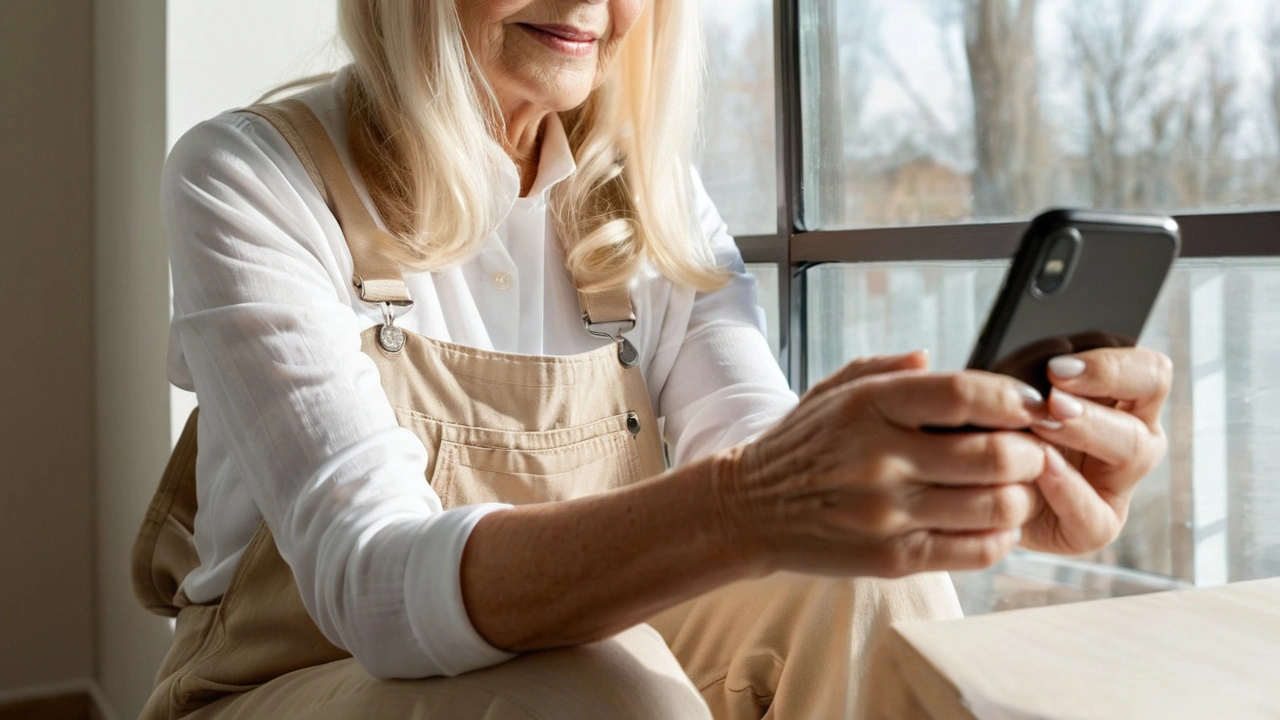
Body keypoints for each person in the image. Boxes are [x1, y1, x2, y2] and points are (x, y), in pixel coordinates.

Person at [134, 0, 1173, 718]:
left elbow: (765, 462)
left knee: (862, 594)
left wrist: (953, 489)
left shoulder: (649, 198)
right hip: (288, 685)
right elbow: (372, 590)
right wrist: (749, 503)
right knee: (590, 696)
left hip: (561, 667)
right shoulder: (251, 175)